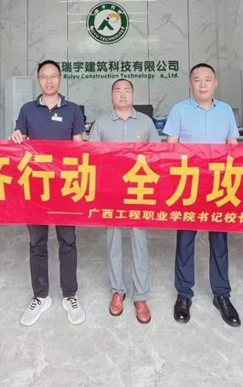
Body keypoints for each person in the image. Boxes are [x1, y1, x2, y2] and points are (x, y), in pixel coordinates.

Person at [163, 63, 241, 327]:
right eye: (197, 79)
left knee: (219, 241)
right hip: (189, 184)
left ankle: (222, 295)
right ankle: (184, 294)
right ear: (190, 84)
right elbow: (171, 148)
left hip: (219, 184)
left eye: (208, 79)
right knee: (185, 240)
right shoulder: (179, 110)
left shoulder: (226, 111)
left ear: (215, 83)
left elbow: (233, 145)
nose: (203, 84)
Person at [9, 60, 86, 326]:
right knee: (37, 242)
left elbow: (79, 149)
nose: (49, 81)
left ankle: (70, 295)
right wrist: (16, 138)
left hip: (65, 186)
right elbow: (20, 142)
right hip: (36, 187)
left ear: (60, 78)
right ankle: (40, 296)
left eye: (53, 76)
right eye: (44, 76)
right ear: (38, 80)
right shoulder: (27, 110)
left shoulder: (72, 110)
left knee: (68, 241)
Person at [88, 79, 160, 324]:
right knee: (114, 242)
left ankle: (141, 295)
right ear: (111, 96)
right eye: (117, 91)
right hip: (112, 192)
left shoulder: (146, 122)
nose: (122, 95)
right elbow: (91, 157)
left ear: (133, 96)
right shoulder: (101, 123)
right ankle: (117, 290)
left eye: (126, 91)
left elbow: (158, 156)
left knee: (140, 242)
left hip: (139, 191)